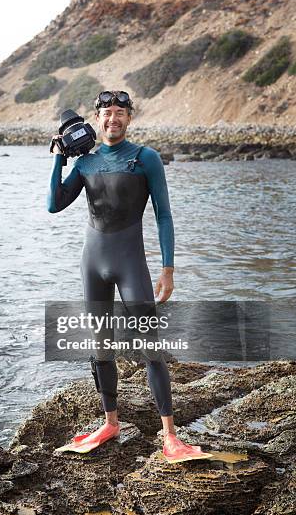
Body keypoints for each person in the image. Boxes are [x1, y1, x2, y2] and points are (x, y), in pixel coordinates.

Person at [48, 90, 203, 459]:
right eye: (106, 113)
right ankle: (110, 423)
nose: (112, 119)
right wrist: (58, 159)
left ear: (129, 118)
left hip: (131, 262)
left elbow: (164, 214)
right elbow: (54, 204)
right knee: (100, 346)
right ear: (96, 119)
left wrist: (168, 269)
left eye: (120, 112)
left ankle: (170, 435)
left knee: (151, 348)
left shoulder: (146, 158)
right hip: (93, 263)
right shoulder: (85, 164)